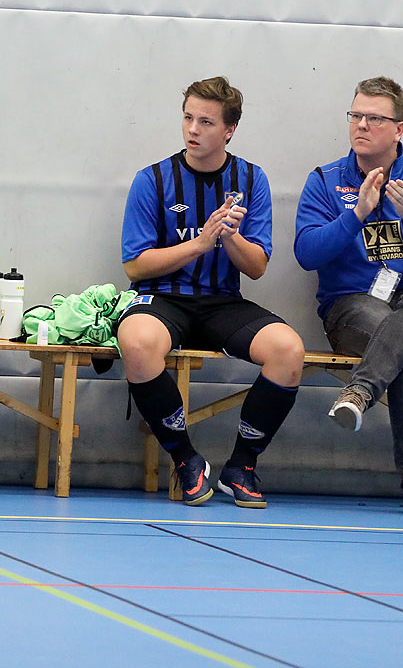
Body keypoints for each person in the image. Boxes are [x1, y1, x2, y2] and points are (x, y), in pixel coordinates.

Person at [116, 77, 305, 508]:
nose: (192, 129)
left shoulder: (251, 180)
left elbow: (257, 267)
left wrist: (229, 238)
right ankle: (185, 458)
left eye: (205, 121)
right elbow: (134, 264)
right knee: (138, 342)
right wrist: (199, 244)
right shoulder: (153, 180)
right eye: (187, 118)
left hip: (222, 300)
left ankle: (242, 465)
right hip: (163, 297)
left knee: (289, 350)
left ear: (229, 130)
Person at [294, 77, 403, 518]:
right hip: (352, 307)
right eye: (356, 116)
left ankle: (361, 390)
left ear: (398, 128)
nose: (361, 125)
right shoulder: (326, 181)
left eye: (374, 118)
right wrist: (356, 215)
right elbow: (306, 253)